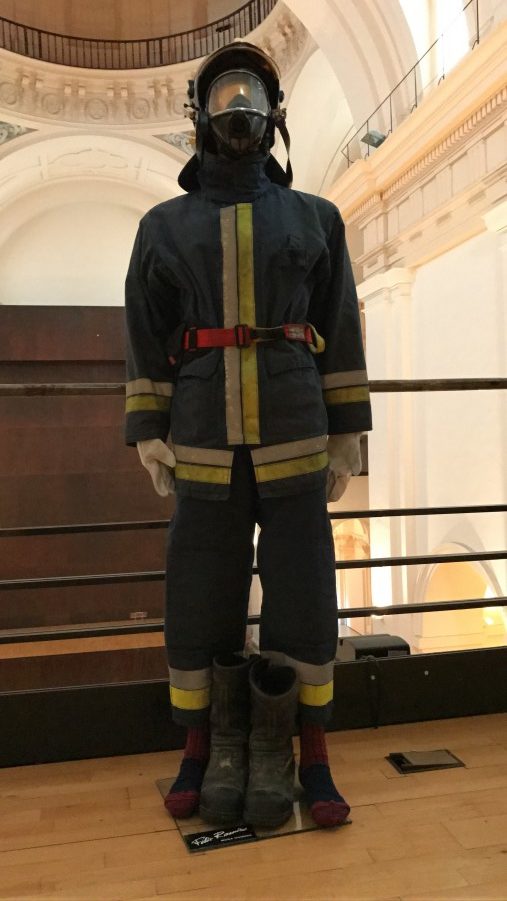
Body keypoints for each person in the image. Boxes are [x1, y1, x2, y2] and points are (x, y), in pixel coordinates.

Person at [125, 41, 372, 830]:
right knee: (198, 596)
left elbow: (339, 325)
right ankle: (204, 748)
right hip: (199, 441)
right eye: (226, 94)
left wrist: (346, 432)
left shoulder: (317, 219)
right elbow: (143, 330)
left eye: (253, 94)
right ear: (200, 113)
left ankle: (311, 755)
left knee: (305, 597)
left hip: (297, 435)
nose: (240, 107)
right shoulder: (161, 225)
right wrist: (146, 429)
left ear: (274, 112)